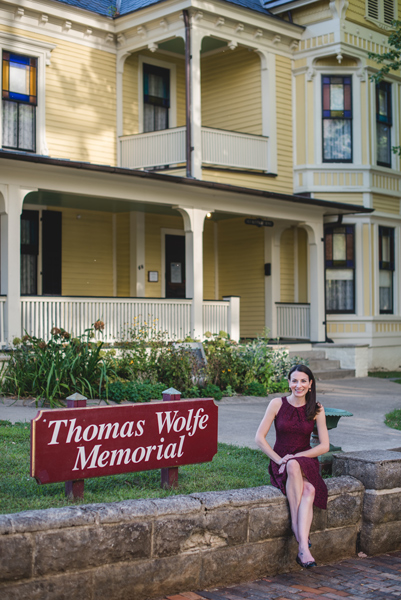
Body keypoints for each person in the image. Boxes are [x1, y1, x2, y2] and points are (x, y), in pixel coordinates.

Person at [255, 364, 329, 569]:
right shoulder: (277, 404)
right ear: (289, 382)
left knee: (304, 478)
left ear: (310, 384)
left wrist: (295, 456)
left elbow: (324, 446)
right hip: (281, 461)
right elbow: (259, 439)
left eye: (303, 381)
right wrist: (280, 460)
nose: (299, 385)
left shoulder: (316, 408)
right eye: (294, 380)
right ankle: (303, 543)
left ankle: (299, 536)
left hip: (306, 459)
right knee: (308, 486)